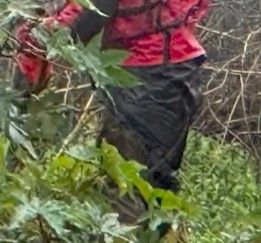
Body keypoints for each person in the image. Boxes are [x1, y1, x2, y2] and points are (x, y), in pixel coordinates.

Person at [15, 0, 213, 196]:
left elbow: (93, 11)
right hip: (168, 70)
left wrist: (39, 37)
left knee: (127, 184)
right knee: (144, 179)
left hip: (151, 76)